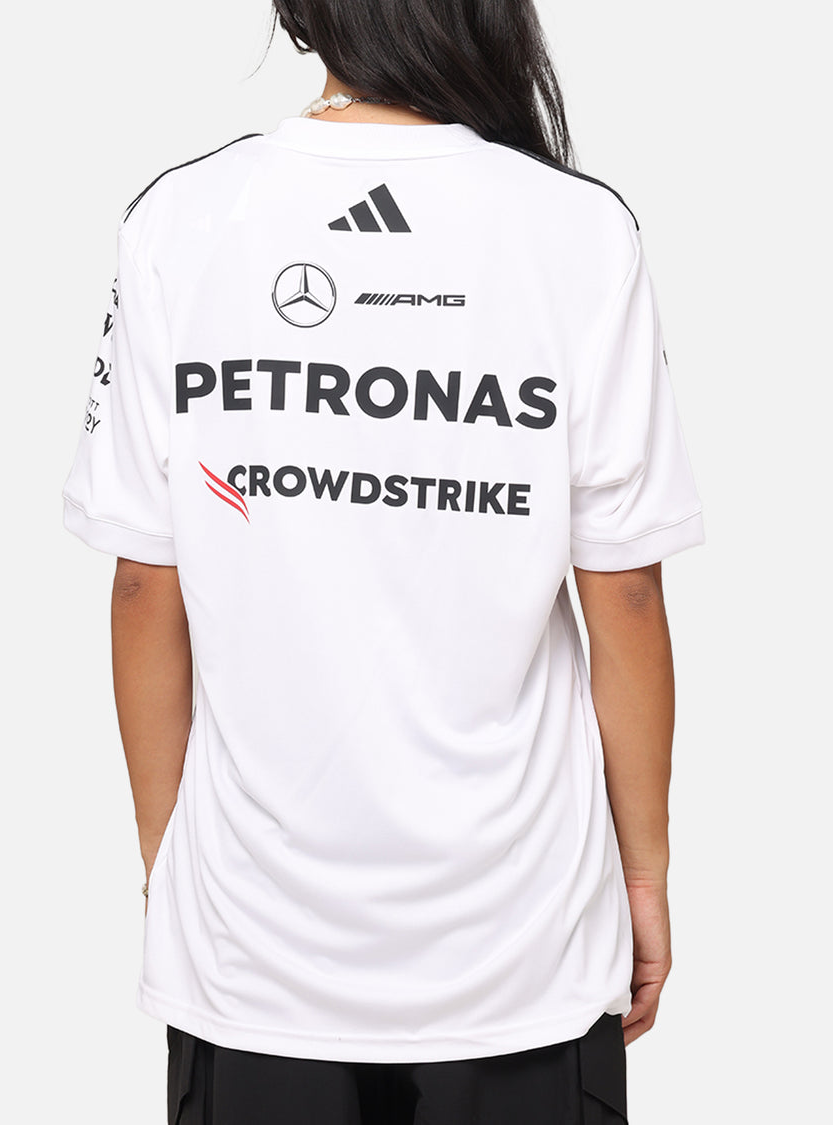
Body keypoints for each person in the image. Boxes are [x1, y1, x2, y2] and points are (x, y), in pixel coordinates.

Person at [62, 1, 705, 1121]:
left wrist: (175, 870)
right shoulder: (577, 229)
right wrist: (642, 875)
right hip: (525, 948)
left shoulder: (184, 218)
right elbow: (629, 597)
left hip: (254, 951)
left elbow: (142, 585)